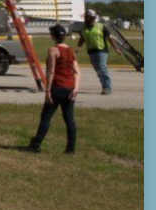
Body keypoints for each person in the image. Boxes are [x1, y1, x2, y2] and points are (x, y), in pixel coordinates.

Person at [29, 24, 80, 153]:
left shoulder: (53, 50)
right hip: (70, 87)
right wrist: (75, 89)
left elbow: (51, 72)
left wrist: (47, 91)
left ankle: (36, 144)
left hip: (57, 86)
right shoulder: (70, 50)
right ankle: (70, 148)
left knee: (46, 116)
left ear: (53, 36)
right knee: (69, 117)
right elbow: (77, 72)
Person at [79, 11, 113, 95]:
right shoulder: (83, 28)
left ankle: (107, 87)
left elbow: (109, 38)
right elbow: (82, 38)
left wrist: (116, 49)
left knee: (102, 68)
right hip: (91, 51)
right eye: (85, 17)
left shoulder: (101, 27)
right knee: (98, 70)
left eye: (87, 17)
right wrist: (78, 47)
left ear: (92, 18)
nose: (85, 19)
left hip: (102, 50)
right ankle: (104, 85)